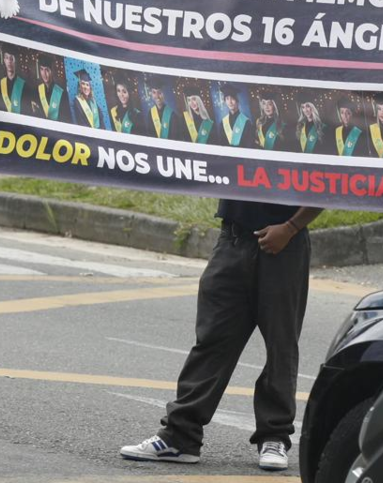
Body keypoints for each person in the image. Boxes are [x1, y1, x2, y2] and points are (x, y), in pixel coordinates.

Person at [118, 200, 323, 471]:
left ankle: (274, 436)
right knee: (212, 339)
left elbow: (326, 183)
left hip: (285, 243)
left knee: (280, 345)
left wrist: (291, 227)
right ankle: (180, 437)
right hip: (232, 239)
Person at [29, 54, 71, 123]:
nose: (44, 73)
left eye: (47, 70)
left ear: (52, 71)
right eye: (41, 69)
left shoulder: (62, 94)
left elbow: (65, 119)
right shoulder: (36, 91)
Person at [0, 48, 28, 115]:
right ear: (4, 60)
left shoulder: (24, 86)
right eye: (7, 58)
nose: (9, 61)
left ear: (15, 61)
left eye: (11, 58)